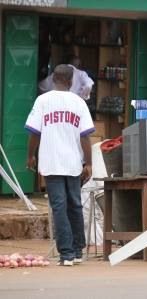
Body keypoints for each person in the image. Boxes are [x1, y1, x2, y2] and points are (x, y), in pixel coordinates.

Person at [25, 64, 95, 266]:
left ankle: (66, 255)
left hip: (51, 161)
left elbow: (34, 133)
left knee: (59, 206)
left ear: (53, 79)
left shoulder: (42, 100)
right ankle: (77, 250)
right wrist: (88, 163)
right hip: (73, 162)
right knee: (74, 204)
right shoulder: (78, 102)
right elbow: (85, 137)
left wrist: (30, 156)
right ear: (71, 81)